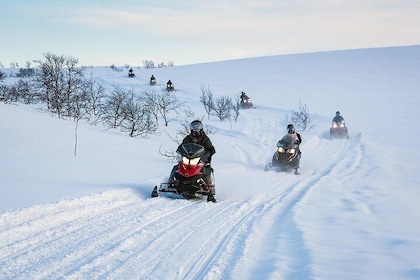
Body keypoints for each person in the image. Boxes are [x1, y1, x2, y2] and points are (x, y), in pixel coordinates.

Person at [177, 120, 217, 202]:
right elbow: (181, 147)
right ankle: (169, 185)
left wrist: (207, 154)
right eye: (194, 127)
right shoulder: (188, 138)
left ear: (201, 128)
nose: (196, 130)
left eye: (197, 127)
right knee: (177, 167)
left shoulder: (205, 139)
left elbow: (211, 149)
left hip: (200, 160)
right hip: (188, 158)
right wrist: (180, 151)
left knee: (206, 170)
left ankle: (210, 189)